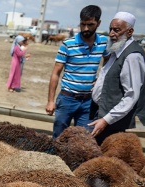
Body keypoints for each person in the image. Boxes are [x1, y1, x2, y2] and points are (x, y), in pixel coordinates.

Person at [45, 5, 108, 139]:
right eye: (83, 24)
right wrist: (50, 101)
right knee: (59, 138)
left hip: (88, 102)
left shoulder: (103, 42)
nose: (86, 28)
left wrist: (100, 80)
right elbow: (55, 73)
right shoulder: (68, 44)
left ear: (99, 23)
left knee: (85, 140)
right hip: (67, 99)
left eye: (90, 24)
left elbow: (108, 65)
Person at [89, 12, 145, 145]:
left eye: (117, 30)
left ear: (129, 32)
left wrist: (106, 120)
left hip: (112, 122)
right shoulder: (117, 50)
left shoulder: (132, 56)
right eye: (110, 29)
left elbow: (131, 95)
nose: (111, 34)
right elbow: (110, 76)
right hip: (101, 113)